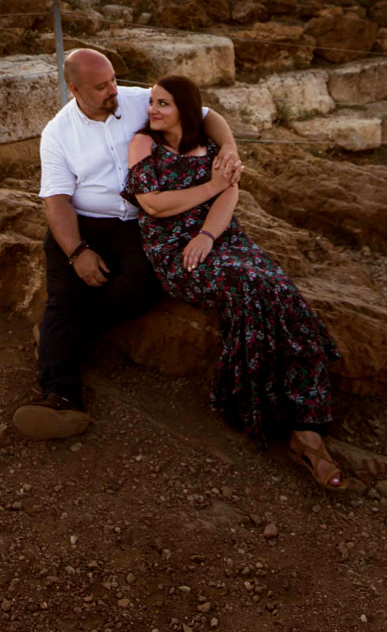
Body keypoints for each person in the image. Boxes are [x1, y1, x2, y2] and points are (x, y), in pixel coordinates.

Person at [123, 73, 346, 489]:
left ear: (184, 110)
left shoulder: (209, 147)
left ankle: (307, 427)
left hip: (219, 236)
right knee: (248, 287)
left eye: (163, 104)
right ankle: (257, 406)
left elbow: (230, 193)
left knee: (278, 289)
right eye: (152, 102)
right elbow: (152, 204)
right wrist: (211, 185)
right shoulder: (143, 144)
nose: (152, 110)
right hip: (173, 248)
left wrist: (209, 234)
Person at [14, 48, 244, 441]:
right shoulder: (57, 134)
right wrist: (77, 252)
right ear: (74, 89)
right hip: (85, 221)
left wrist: (229, 148)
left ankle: (61, 334)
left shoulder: (140, 101)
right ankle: (61, 398)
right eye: (102, 86)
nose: (113, 90)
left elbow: (207, 116)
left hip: (137, 222)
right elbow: (57, 201)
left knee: (140, 287)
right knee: (65, 296)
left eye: (114, 80)